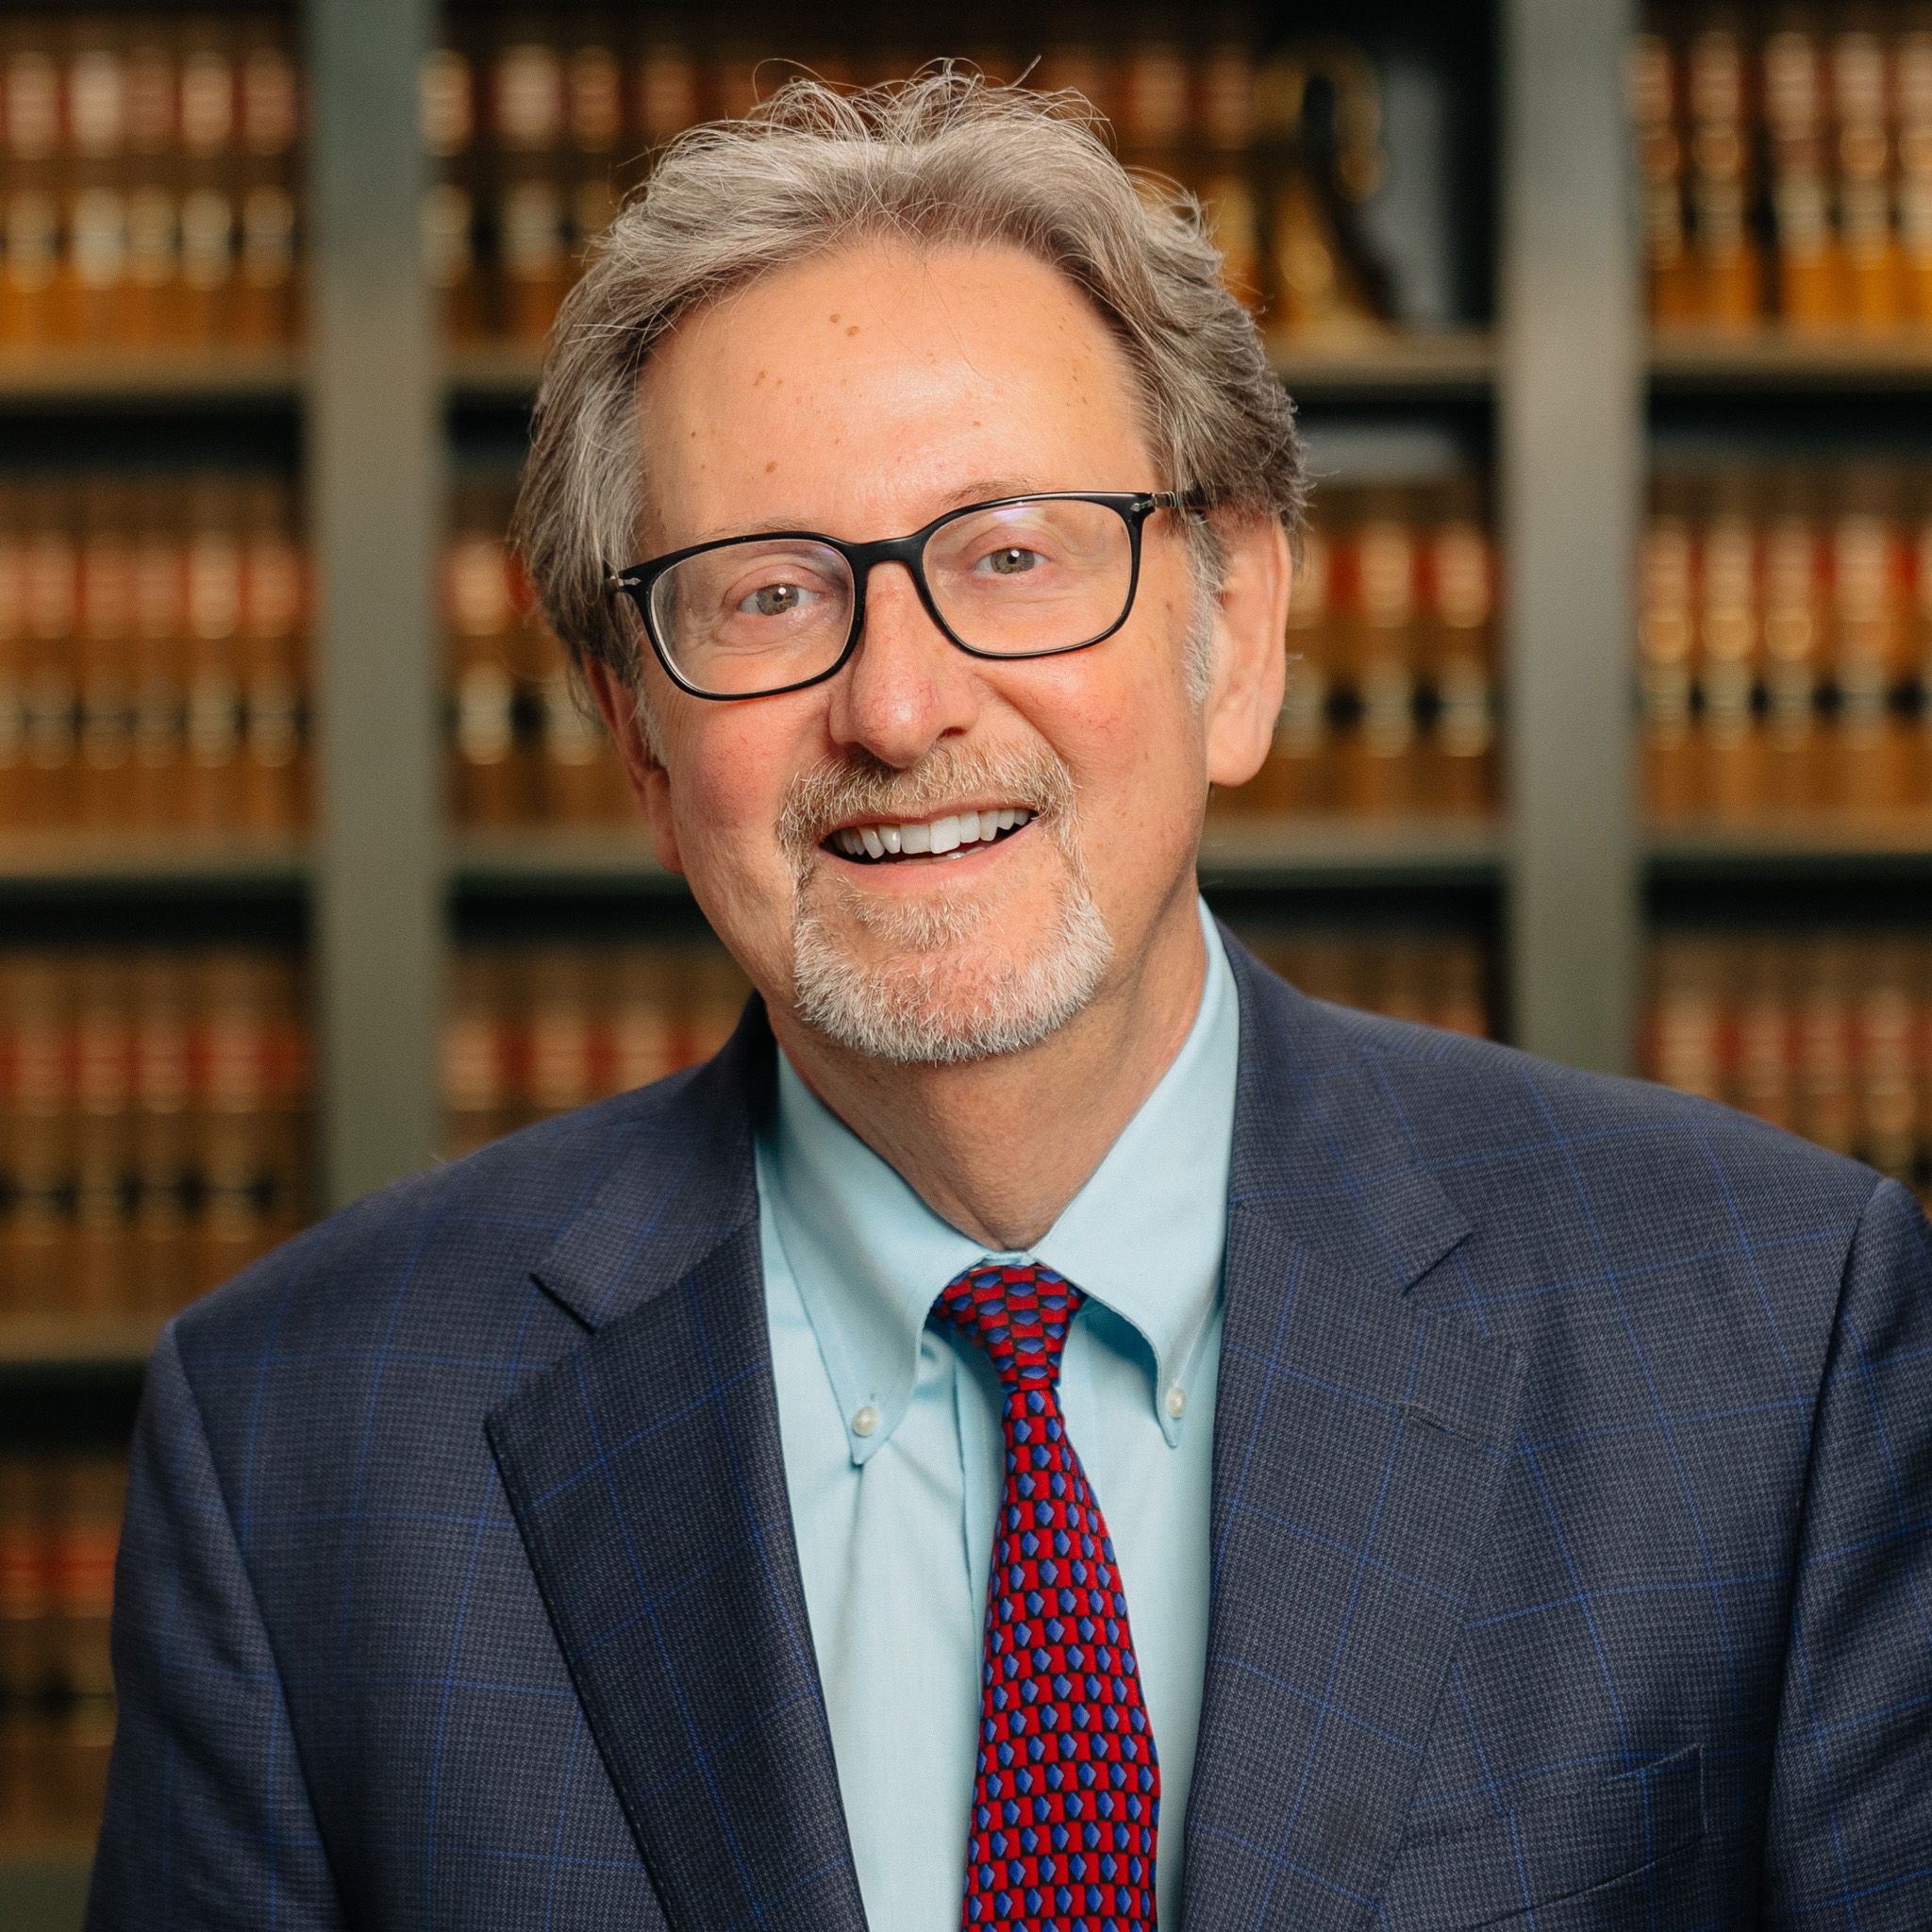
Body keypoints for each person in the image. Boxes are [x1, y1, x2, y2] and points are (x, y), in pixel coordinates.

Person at [88, 76, 1928, 1932]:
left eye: (1013, 556)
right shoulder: (298, 1445)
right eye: (765, 594)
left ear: (1240, 636)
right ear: (638, 739)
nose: (898, 707)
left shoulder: (1770, 1340)